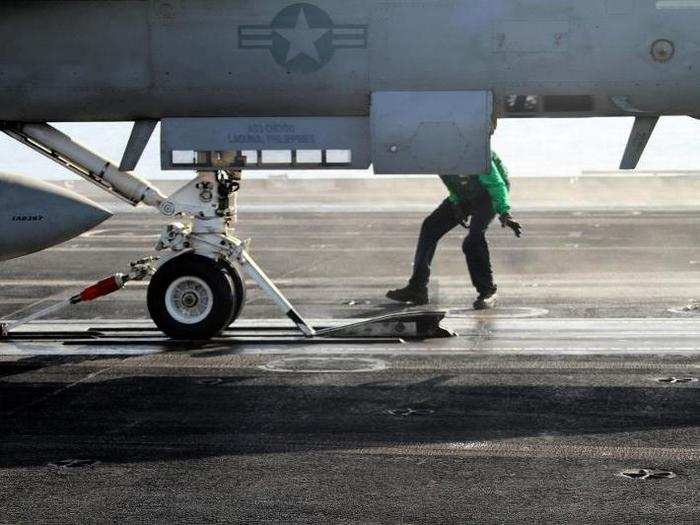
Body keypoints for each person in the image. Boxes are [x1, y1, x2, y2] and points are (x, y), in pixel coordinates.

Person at [387, 151, 522, 310]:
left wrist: (505, 212)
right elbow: (451, 181)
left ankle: (487, 292)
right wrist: (457, 201)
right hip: (464, 195)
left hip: (488, 196)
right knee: (430, 227)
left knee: (473, 241)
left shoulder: (475, 150)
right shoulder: (436, 153)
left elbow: (496, 184)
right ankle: (417, 287)